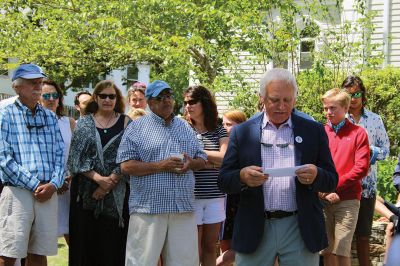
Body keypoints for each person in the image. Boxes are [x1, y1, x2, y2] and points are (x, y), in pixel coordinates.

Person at [218, 68, 338, 266]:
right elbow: (223, 181)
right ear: (262, 98)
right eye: (275, 100)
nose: (282, 106)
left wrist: (316, 175)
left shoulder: (313, 130)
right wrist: (241, 177)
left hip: (299, 227)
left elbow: (332, 180)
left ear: (295, 100)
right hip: (255, 226)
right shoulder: (243, 132)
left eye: (287, 100)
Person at [117, 80, 207, 266]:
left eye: (169, 96)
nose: (167, 101)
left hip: (182, 207)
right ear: (150, 102)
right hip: (149, 209)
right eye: (160, 97)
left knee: (185, 263)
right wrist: (160, 166)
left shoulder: (185, 127)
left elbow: (202, 159)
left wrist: (191, 164)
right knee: (141, 262)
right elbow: (125, 166)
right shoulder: (137, 127)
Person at [0, 63, 65, 266]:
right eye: (32, 82)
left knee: (39, 252)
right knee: (9, 252)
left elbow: (60, 154)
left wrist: (54, 183)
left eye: (39, 82)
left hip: (47, 191)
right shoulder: (5, 114)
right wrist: (35, 185)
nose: (38, 86)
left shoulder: (50, 116)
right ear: (16, 87)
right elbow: (3, 158)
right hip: (18, 191)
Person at [68, 80, 130, 266]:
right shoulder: (84, 123)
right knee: (85, 248)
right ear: (96, 97)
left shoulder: (126, 122)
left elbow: (130, 155)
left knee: (112, 248)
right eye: (103, 96)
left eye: (112, 96)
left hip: (116, 194)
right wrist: (98, 179)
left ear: (117, 98)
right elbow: (75, 158)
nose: (107, 99)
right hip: (85, 195)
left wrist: (109, 182)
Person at [341, 75, 390, 266]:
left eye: (357, 94)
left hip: (367, 188)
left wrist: (370, 152)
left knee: (362, 237)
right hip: (344, 188)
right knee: (341, 238)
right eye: (348, 94)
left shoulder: (375, 120)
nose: (353, 98)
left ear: (363, 95)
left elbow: (386, 151)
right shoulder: (338, 119)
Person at [320, 88, 370, 266]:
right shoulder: (320, 132)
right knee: (326, 250)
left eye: (332, 108)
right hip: (323, 198)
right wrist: (322, 190)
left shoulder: (358, 133)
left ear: (345, 108)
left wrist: (334, 187)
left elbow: (361, 168)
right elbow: (313, 164)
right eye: (325, 108)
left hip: (347, 199)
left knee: (341, 250)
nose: (328, 112)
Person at [183, 85, 229, 266]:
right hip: (191, 196)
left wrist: (198, 154)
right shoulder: (183, 128)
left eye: (192, 102)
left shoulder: (219, 129)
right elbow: (183, 158)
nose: (188, 106)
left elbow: (225, 159)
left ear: (204, 103)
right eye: (185, 102)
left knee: (210, 246)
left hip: (215, 196)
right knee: (193, 247)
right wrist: (211, 160)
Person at [39, 79, 76, 246]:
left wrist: (71, 177)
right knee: (40, 243)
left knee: (73, 238)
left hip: (68, 188)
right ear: (39, 98)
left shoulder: (69, 122)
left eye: (55, 95)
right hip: (44, 187)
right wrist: (54, 181)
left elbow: (77, 155)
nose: (51, 99)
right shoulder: (34, 122)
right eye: (46, 95)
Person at [217, 110, 247, 266]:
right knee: (225, 245)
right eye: (223, 124)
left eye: (229, 124)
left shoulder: (248, 145)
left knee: (242, 248)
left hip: (242, 200)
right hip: (226, 200)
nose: (224, 128)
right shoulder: (223, 143)